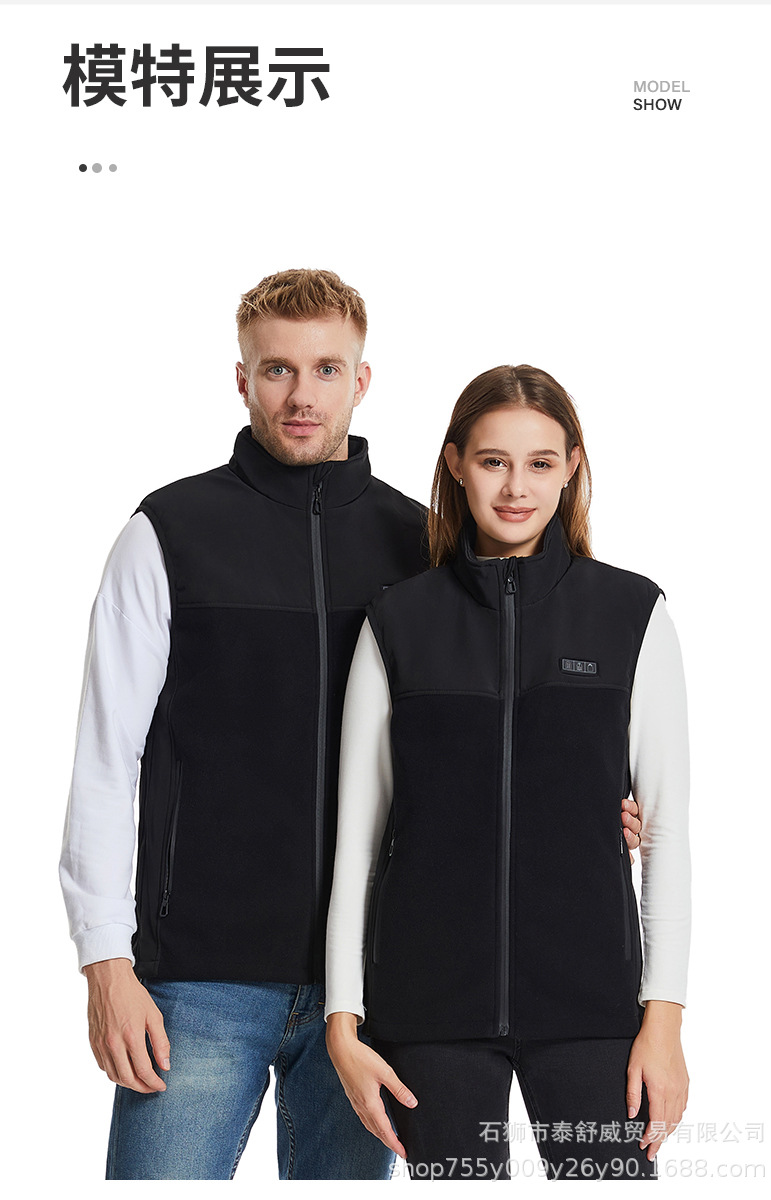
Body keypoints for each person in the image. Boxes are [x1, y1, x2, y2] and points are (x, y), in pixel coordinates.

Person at [60, 276, 643, 1181]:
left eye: (326, 369)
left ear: (361, 380)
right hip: (200, 983)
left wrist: (593, 803)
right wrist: (106, 960)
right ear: (242, 379)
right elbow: (105, 759)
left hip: (378, 987)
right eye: (277, 370)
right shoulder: (168, 533)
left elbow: (501, 730)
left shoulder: (425, 548)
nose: (302, 394)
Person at [324, 364, 690, 1182]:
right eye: (493, 461)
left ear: (571, 466)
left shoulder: (631, 614)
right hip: (430, 1012)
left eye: (539, 462)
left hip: (594, 1010)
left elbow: (666, 834)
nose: (516, 487)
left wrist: (663, 1019)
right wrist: (344, 1019)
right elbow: (359, 842)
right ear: (456, 464)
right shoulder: (399, 621)